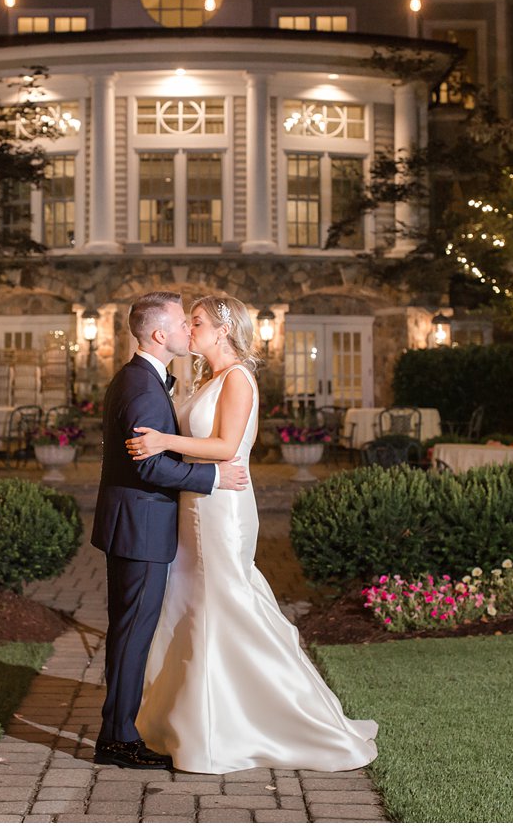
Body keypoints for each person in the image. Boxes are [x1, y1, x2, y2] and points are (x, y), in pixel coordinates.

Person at [126, 295, 378, 774]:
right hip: (195, 504)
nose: (188, 329)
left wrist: (162, 442)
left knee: (228, 600)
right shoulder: (209, 378)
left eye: (196, 322)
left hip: (222, 507)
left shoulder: (239, 378)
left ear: (222, 330)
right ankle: (194, 716)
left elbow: (224, 446)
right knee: (193, 604)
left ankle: (280, 715)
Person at [91, 291, 250, 771]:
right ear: (161, 335)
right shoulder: (141, 386)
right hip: (139, 526)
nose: (188, 330)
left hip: (137, 524)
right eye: (183, 323)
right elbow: (148, 468)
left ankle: (120, 728)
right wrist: (212, 476)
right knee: (131, 633)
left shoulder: (145, 378)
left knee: (133, 630)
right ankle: (117, 738)